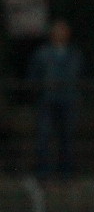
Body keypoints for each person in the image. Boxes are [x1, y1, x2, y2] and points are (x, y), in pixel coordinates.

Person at [29, 17, 81, 177]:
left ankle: (65, 172)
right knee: (44, 136)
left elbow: (79, 77)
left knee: (67, 137)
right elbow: (33, 76)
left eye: (63, 30)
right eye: (57, 30)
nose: (60, 33)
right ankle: (43, 171)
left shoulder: (75, 54)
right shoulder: (42, 54)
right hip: (48, 100)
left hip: (68, 99)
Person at [2, 0, 50, 94]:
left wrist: (22, 0)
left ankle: (38, 98)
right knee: (19, 70)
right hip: (18, 34)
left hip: (38, 34)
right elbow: (10, 1)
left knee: (39, 69)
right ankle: (20, 103)